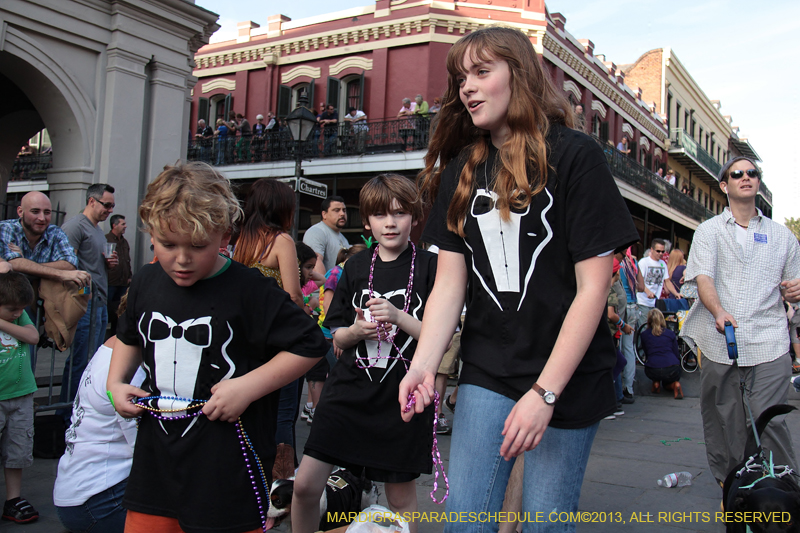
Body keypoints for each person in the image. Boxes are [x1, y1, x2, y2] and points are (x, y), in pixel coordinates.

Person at [398, 26, 639, 531]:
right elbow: (449, 285)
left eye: (482, 72)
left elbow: (594, 289)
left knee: (545, 523)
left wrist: (545, 393)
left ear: (521, 76)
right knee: (466, 522)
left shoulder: (575, 156)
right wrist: (422, 366)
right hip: (489, 369)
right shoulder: (462, 168)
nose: (466, 87)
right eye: (461, 77)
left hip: (567, 376)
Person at [107, 161, 328, 533]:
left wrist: (247, 387)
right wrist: (115, 383)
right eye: (167, 244)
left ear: (224, 235)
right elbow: (129, 335)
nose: (180, 258)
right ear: (150, 233)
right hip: (155, 469)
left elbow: (310, 343)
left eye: (197, 245)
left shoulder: (252, 289)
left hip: (228, 473)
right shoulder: (146, 280)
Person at [292, 173, 438, 533]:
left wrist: (399, 316)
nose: (390, 223)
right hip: (348, 393)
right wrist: (355, 331)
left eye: (400, 213)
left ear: (415, 217)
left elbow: (441, 336)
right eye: (379, 215)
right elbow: (336, 335)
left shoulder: (432, 266)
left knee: (401, 499)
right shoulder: (355, 266)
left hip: (399, 398)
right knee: (306, 485)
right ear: (368, 221)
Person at [680, 156, 800, 486]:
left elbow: (794, 286)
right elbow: (703, 277)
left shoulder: (783, 237)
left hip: (770, 340)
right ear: (725, 185)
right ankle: (732, 485)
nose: (745, 177)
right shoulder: (708, 232)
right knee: (724, 419)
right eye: (737, 174)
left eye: (752, 173)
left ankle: (782, 485)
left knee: (769, 417)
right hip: (721, 341)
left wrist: (795, 291)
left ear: (758, 183)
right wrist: (718, 311)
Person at [232, 179, 309, 479]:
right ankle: (281, 481)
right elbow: (292, 295)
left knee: (259, 408)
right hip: (280, 338)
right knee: (284, 412)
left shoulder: (242, 241)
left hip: (250, 336)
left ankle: (254, 472)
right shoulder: (281, 240)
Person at [54, 331, 145, 533]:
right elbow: (145, 452)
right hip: (98, 500)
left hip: (80, 492)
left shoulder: (112, 349)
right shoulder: (131, 371)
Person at [60, 184, 118, 411]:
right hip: (84, 302)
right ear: (91, 201)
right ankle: (68, 411)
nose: (110, 210)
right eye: (107, 205)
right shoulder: (75, 226)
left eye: (112, 206)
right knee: (80, 360)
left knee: (91, 360)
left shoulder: (95, 229)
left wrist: (106, 264)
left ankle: (79, 408)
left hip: (99, 301)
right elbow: (66, 263)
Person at [0, 272, 40, 524]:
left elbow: (33, 336)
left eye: (21, 309)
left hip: (21, 394)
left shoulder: (17, 315)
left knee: (17, 450)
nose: (17, 313)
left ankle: (12, 500)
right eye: (11, 309)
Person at [0, 191, 89, 286]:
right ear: (20, 212)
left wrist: (25, 264)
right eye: (35, 212)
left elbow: (70, 264)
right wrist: (61, 273)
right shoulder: (6, 229)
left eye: (47, 212)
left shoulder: (55, 232)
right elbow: (11, 263)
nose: (42, 218)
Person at [640, 309, 683, 399]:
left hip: (653, 368)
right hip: (671, 367)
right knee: (668, 383)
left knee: (656, 370)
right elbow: (676, 353)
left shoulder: (644, 334)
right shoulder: (670, 333)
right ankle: (675, 385)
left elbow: (646, 352)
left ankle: (656, 383)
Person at [303, 196, 350, 276]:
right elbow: (315, 262)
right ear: (324, 214)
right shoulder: (316, 232)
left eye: (344, 210)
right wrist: (325, 287)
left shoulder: (343, 238)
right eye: (336, 210)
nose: (342, 213)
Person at [105, 214, 131, 338]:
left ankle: (116, 335)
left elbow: (127, 260)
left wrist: (129, 276)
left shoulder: (124, 242)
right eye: (123, 224)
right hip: (110, 282)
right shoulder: (106, 239)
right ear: (114, 225)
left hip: (122, 283)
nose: (125, 226)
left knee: (120, 311)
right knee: (107, 310)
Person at [636, 238, 668, 324]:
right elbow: (639, 281)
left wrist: (676, 293)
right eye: (658, 251)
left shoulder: (663, 264)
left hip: (653, 302)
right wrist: (647, 291)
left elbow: (667, 280)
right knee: (643, 327)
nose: (661, 253)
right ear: (652, 249)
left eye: (662, 251)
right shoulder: (644, 262)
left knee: (652, 327)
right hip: (642, 301)